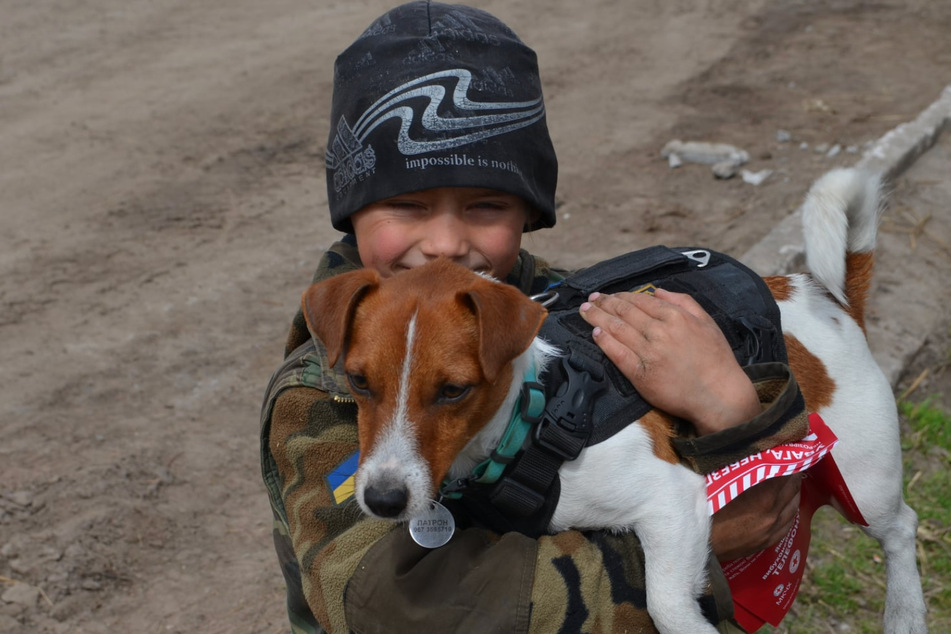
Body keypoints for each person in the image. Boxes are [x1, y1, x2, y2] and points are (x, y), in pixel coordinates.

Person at [260, 2, 806, 632]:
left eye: (486, 205)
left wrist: (739, 417)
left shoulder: (565, 312)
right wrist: (687, 546)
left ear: (529, 213)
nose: (443, 243)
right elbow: (399, 611)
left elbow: (695, 467)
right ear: (351, 213)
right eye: (405, 205)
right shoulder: (320, 393)